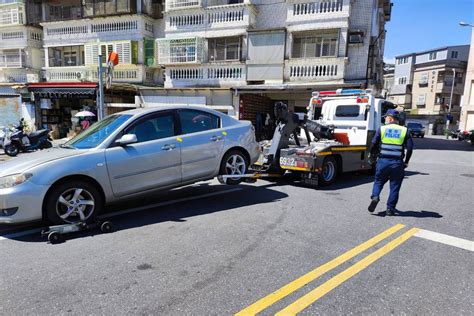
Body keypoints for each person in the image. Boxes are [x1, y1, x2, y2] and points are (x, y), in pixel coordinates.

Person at [368, 109, 414, 216]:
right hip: (397, 163)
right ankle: (390, 209)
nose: (385, 119)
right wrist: (406, 162)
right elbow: (410, 148)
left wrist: (372, 156)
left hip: (383, 161)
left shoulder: (382, 129)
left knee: (378, 181)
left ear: (390, 118)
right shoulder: (404, 130)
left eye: (386, 117)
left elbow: (373, 144)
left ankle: (375, 196)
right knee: (395, 186)